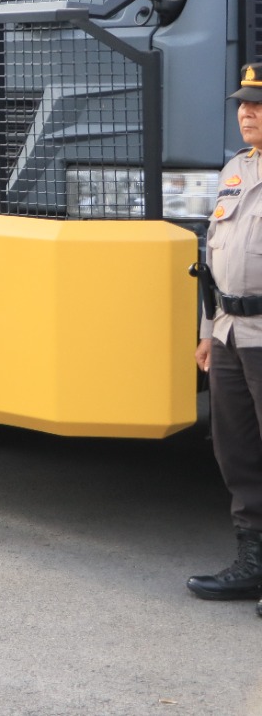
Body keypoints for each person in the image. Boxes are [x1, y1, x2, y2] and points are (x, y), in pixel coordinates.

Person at [191, 61, 262, 610]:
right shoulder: (234, 170)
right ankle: (253, 562)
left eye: (258, 105)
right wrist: (208, 331)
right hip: (231, 333)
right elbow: (211, 257)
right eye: (243, 103)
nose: (247, 112)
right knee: (235, 449)